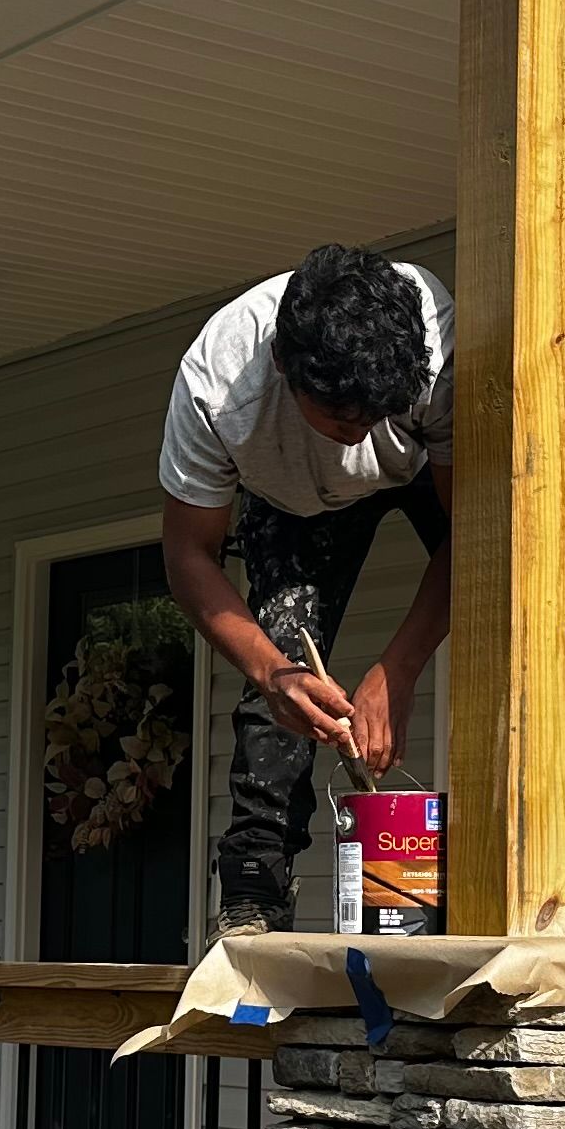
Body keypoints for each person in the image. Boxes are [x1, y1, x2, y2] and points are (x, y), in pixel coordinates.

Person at [158, 245, 456, 933]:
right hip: (289, 498)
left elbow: (471, 537)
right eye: (342, 419)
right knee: (283, 673)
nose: (359, 436)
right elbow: (186, 555)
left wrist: (400, 667)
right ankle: (254, 889)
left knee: (508, 590)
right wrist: (273, 672)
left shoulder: (442, 345)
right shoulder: (217, 382)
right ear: (285, 366)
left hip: (422, 470)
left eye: (376, 414)